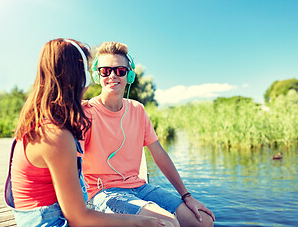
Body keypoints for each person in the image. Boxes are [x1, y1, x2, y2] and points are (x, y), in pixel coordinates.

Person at [4, 38, 173, 227]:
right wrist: (141, 222)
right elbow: (79, 218)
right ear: (78, 76)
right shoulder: (56, 135)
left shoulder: (47, 123)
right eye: (88, 68)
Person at [82, 42, 216, 227]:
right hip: (103, 193)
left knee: (204, 221)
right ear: (98, 75)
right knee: (167, 223)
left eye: (120, 70)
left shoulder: (138, 110)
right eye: (106, 70)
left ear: (129, 75)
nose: (112, 75)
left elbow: (159, 154)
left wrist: (187, 196)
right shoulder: (85, 112)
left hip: (139, 187)